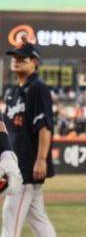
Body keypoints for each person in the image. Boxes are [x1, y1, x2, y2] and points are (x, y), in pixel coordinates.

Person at [2, 42, 56, 237]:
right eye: (14, 58)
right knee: (38, 219)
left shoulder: (37, 88)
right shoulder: (13, 92)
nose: (16, 61)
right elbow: (8, 129)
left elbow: (44, 126)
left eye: (21, 58)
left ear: (34, 62)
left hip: (27, 165)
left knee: (10, 218)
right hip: (16, 162)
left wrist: (41, 160)